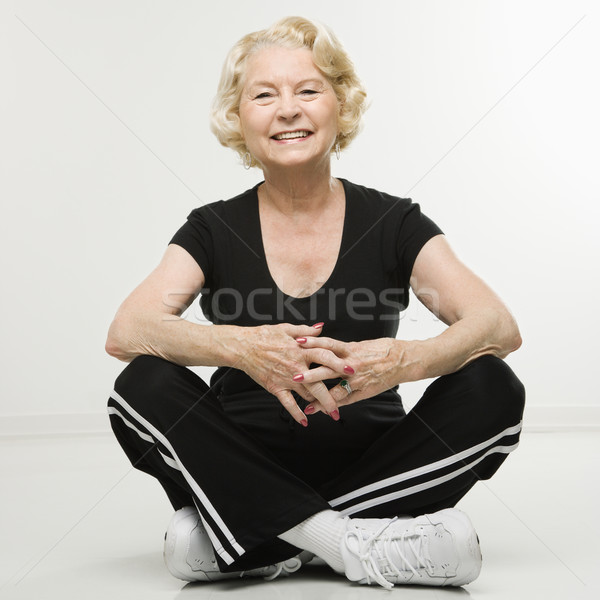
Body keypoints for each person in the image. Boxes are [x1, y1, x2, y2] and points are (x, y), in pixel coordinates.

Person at [105, 16, 525, 590]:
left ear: (340, 105)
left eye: (308, 90)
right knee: (143, 384)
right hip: (233, 463)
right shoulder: (211, 228)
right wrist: (241, 348)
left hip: (380, 467)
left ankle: (256, 540)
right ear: (239, 118)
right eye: (264, 95)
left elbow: (495, 323)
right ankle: (353, 543)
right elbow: (128, 329)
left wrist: (407, 360)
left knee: (494, 386)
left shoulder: (393, 221)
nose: (288, 109)